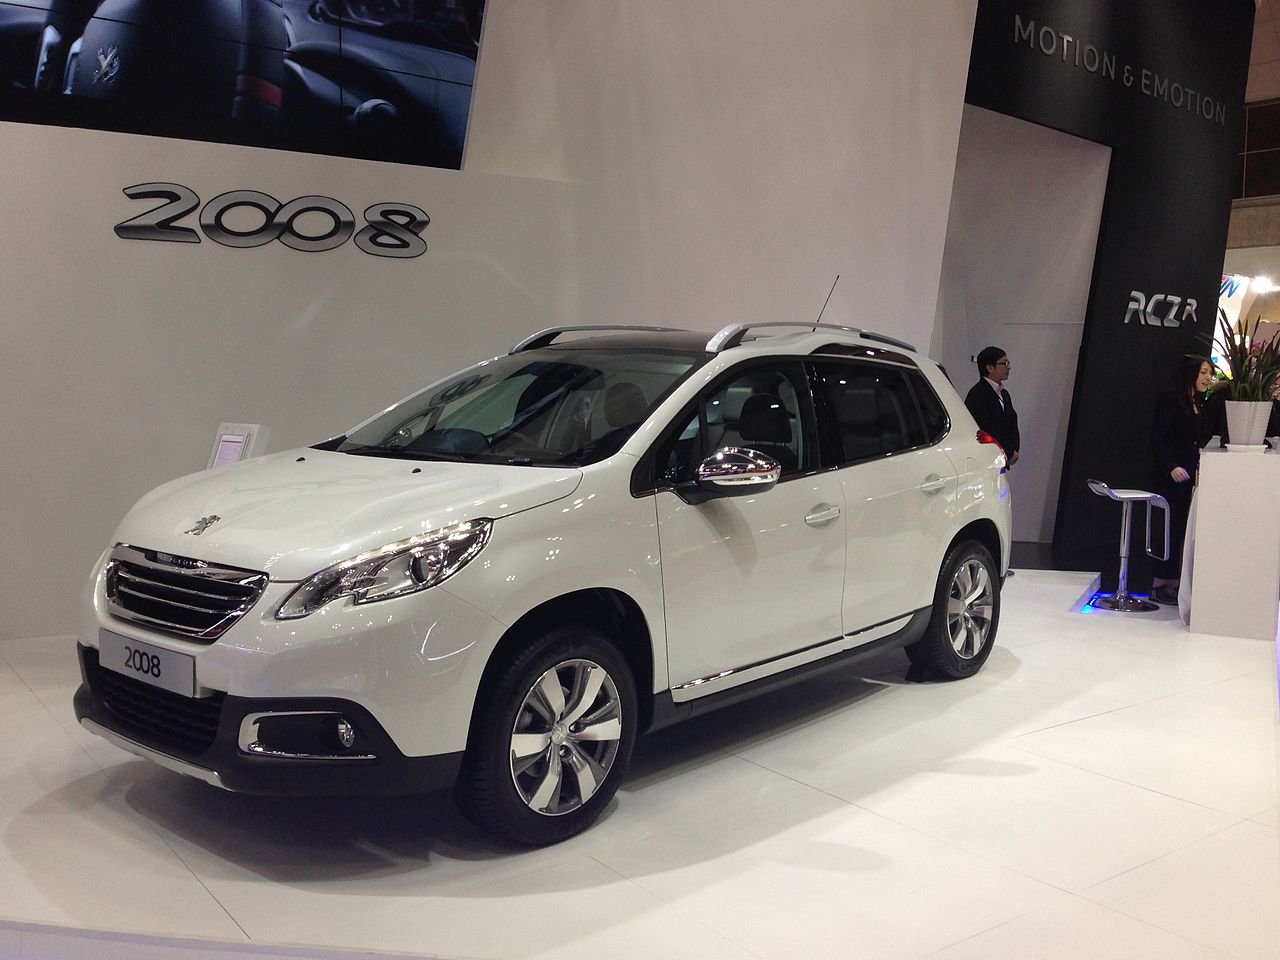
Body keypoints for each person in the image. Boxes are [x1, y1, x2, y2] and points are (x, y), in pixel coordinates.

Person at [1149, 357, 1215, 605]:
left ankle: (1175, 582)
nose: (1208, 378)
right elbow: (1158, 437)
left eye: (1210, 373)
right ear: (1191, 374)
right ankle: (1159, 582)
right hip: (1171, 477)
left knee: (1181, 529)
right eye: (1204, 372)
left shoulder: (1199, 404)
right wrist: (1171, 466)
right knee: (1168, 527)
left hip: (1190, 477)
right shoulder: (1171, 400)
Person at [964, 346, 1020, 467]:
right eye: (1004, 363)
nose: (1009, 367)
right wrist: (1008, 451)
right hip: (985, 460)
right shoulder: (977, 394)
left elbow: (1012, 422)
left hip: (1001, 459)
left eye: (1008, 362)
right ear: (990, 367)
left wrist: (1014, 449)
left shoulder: (1004, 394)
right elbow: (986, 428)